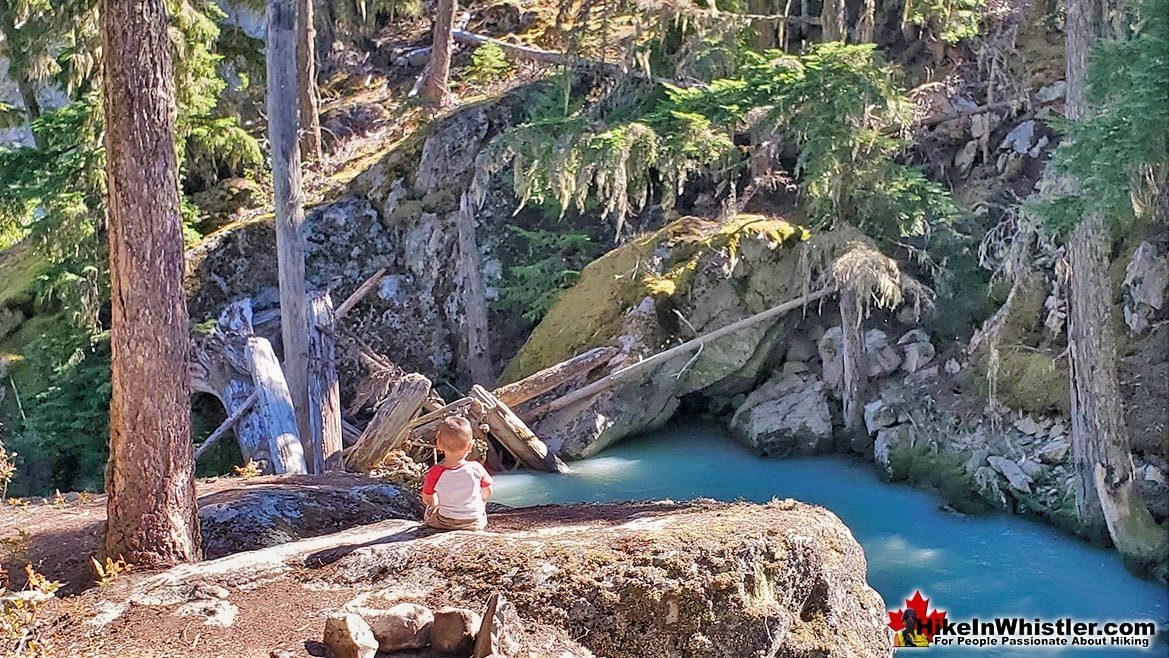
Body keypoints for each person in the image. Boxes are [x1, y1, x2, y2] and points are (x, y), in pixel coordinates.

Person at [421, 416, 493, 531]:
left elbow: (427, 499)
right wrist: (482, 502)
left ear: (439, 445)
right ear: (469, 446)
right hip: (474, 521)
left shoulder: (435, 472)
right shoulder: (476, 468)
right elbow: (488, 490)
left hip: (444, 521)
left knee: (429, 512)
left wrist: (435, 505)